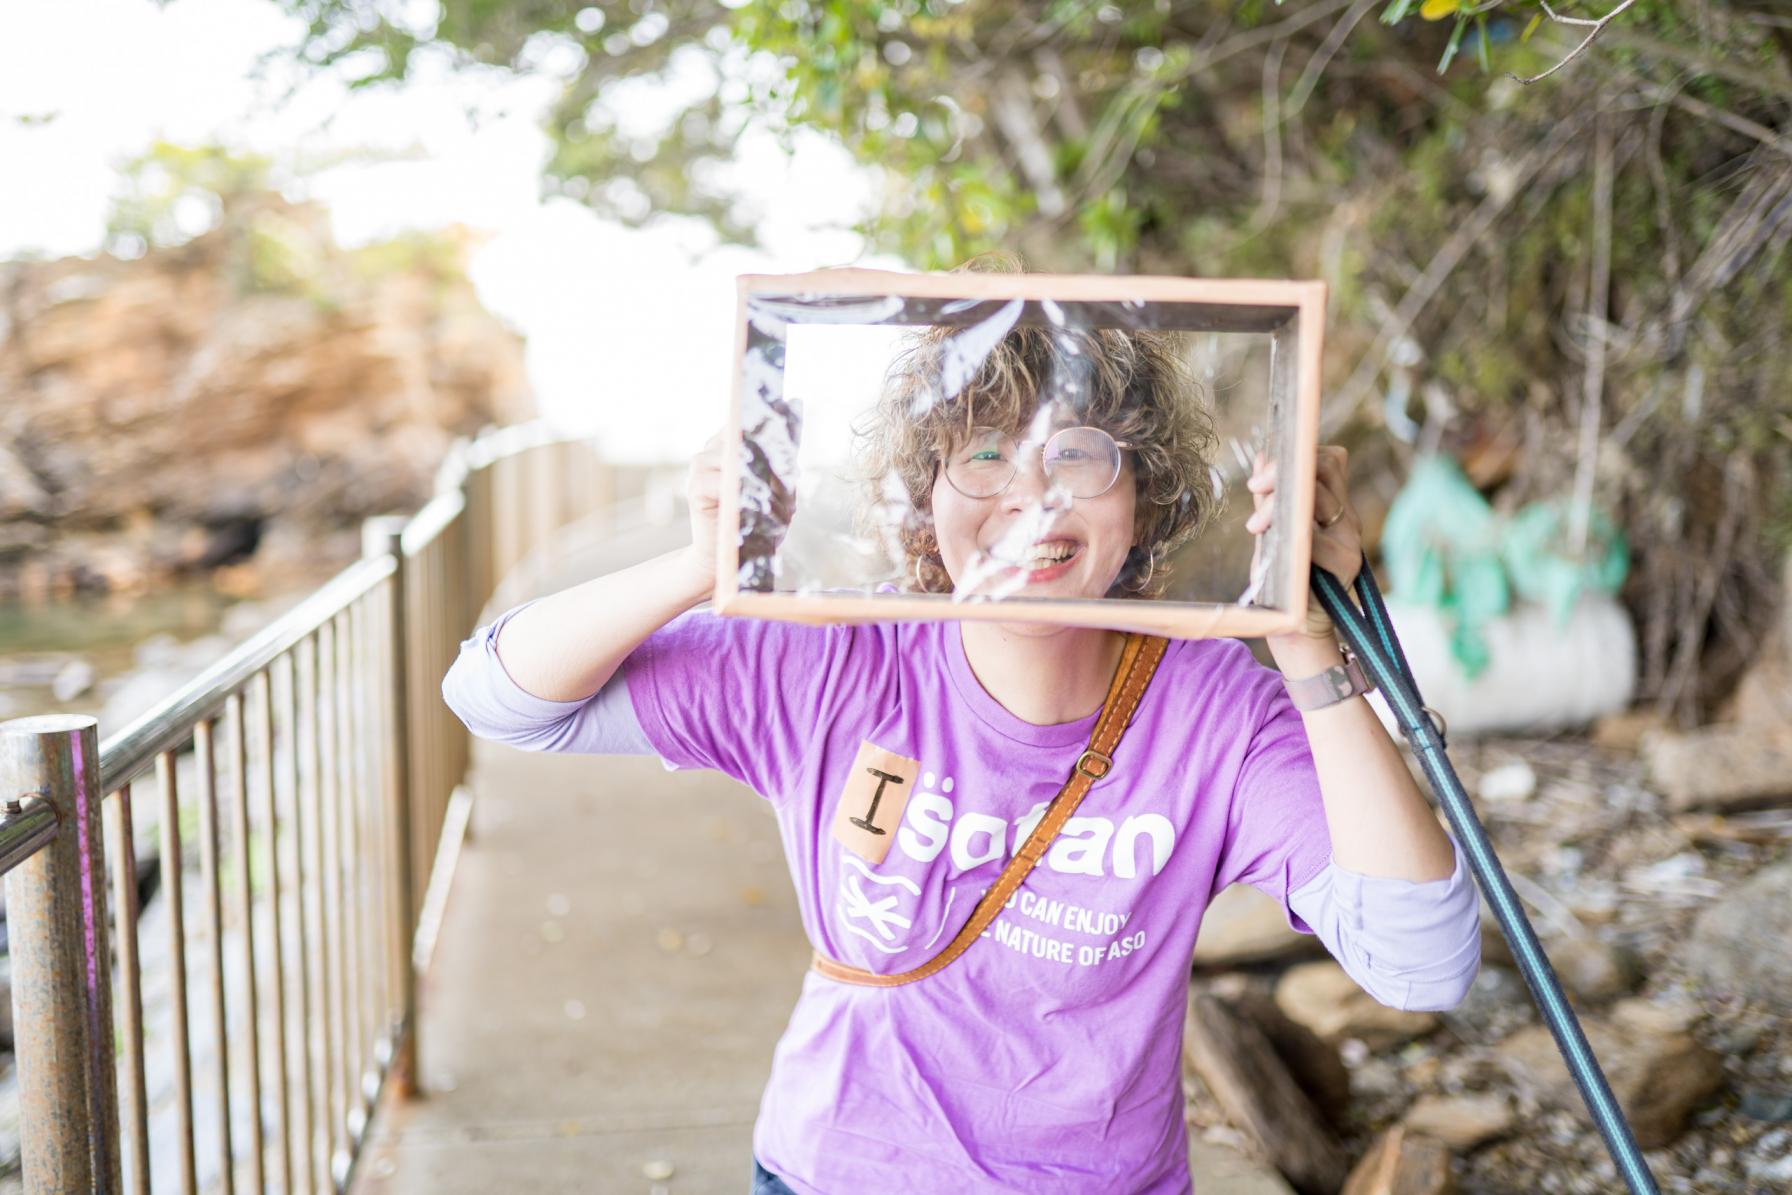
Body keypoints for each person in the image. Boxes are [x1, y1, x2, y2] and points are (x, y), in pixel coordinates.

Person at [442, 314, 1481, 1195]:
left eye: (1078, 453)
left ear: (1146, 498)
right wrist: (697, 565)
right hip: (832, 1170)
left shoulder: (1216, 710)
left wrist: (1307, 640)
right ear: (924, 498)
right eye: (983, 453)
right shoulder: (837, 660)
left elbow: (1422, 964)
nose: (1031, 496)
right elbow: (499, 697)